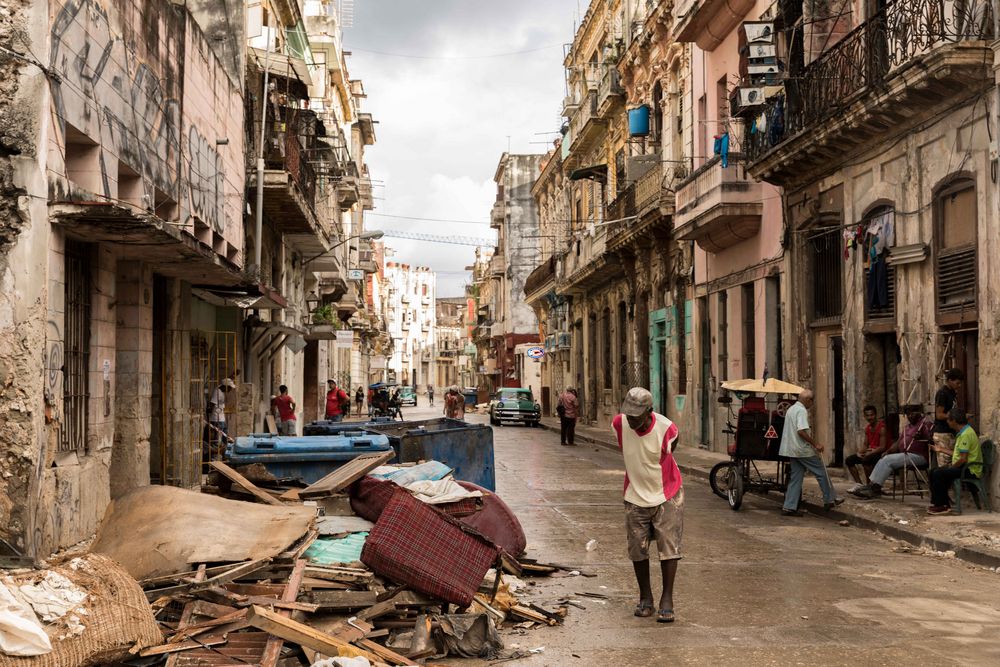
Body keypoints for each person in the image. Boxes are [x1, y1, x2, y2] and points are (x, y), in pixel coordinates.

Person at [612, 387, 683, 624]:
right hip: (634, 494)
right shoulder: (619, 424)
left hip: (666, 493)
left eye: (637, 415)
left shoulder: (667, 428)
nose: (631, 419)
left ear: (649, 411)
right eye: (628, 414)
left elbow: (672, 450)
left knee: (668, 546)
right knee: (637, 548)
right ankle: (645, 597)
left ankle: (667, 599)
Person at [779, 388, 844, 516]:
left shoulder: (791, 409)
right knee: (821, 472)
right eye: (812, 401)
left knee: (796, 478)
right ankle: (830, 499)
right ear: (808, 400)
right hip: (801, 449)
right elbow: (801, 431)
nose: (812, 404)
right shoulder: (801, 410)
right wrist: (816, 444)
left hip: (791, 449)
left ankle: (789, 507)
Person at [850, 405, 933, 499]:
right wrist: (888, 451)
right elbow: (897, 443)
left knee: (888, 460)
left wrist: (922, 437)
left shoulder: (924, 424)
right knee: (884, 458)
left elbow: (932, 439)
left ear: (919, 413)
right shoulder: (907, 427)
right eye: (908, 414)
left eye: (913, 413)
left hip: (919, 456)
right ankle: (873, 485)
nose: (910, 416)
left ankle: (875, 488)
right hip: (906, 455)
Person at [927, 408, 983, 515]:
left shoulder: (966, 435)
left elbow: (963, 459)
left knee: (939, 473)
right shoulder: (963, 432)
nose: (947, 422)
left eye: (948, 419)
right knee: (933, 471)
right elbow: (959, 454)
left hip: (970, 469)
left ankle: (942, 505)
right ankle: (939, 503)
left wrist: (952, 467)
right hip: (964, 466)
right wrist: (941, 449)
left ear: (954, 421)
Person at [844, 405, 888, 486]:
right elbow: (865, 444)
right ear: (864, 416)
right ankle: (859, 484)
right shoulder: (868, 428)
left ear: (875, 415)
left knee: (866, 460)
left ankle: (870, 486)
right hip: (870, 452)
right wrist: (859, 453)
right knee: (849, 460)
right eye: (867, 415)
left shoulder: (882, 428)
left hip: (880, 453)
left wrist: (870, 452)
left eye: (872, 415)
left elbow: (882, 447)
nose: (870, 417)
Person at [932, 368, 964, 467]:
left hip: (950, 432)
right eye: (957, 383)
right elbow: (939, 415)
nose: (959, 386)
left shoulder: (952, 392)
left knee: (952, 462)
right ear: (950, 380)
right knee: (945, 465)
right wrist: (956, 417)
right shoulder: (942, 393)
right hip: (943, 433)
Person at [207, 378, 236, 457]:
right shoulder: (217, 393)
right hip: (217, 419)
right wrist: (209, 415)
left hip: (221, 419)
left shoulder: (221, 389)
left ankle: (226, 456)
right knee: (217, 441)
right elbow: (212, 405)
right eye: (229, 387)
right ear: (225, 386)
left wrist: (233, 375)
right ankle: (213, 459)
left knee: (225, 439)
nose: (230, 389)